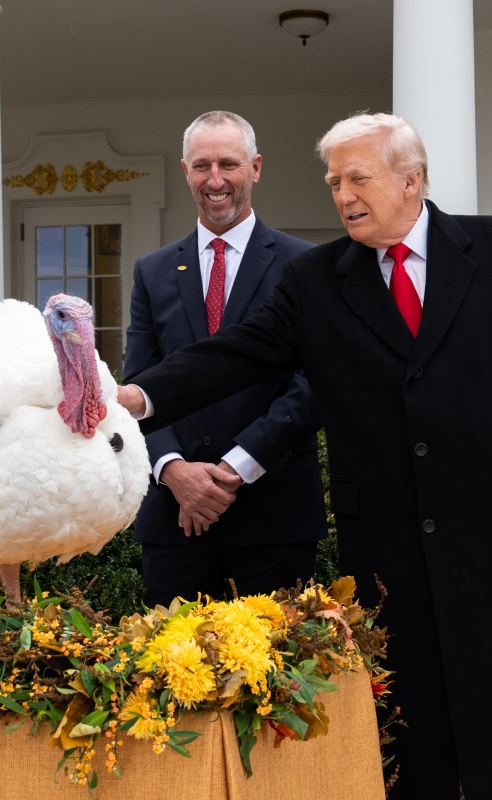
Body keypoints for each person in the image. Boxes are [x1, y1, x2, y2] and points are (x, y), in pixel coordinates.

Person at [117, 113, 492, 800]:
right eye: (333, 181)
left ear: (411, 180)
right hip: (388, 541)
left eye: (357, 178)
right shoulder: (317, 279)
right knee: (415, 727)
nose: (342, 194)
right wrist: (136, 397)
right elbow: (235, 354)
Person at [123, 110, 325, 608]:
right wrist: (174, 471)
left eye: (229, 164)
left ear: (255, 168)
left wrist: (235, 468)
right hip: (175, 520)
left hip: (273, 515)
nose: (215, 180)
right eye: (202, 165)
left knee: (276, 679)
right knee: (173, 678)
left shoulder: (306, 265)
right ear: (185, 171)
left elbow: (313, 383)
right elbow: (139, 383)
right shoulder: (152, 272)